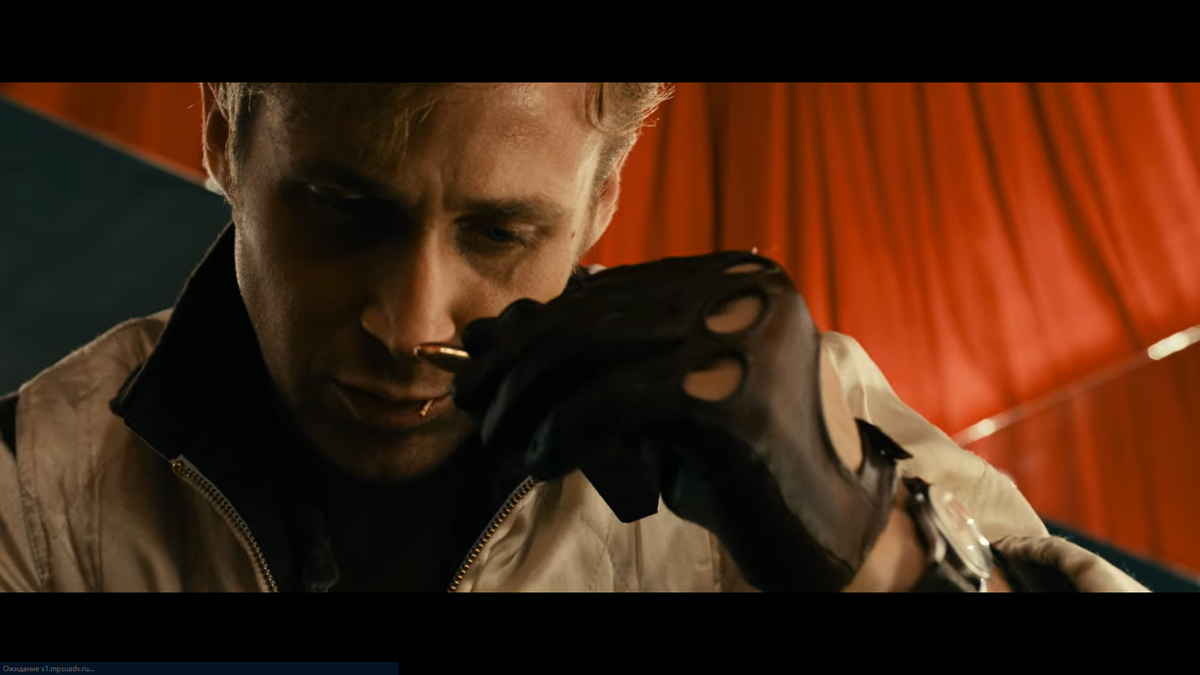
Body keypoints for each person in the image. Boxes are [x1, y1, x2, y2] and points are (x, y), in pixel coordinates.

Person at [0, 82, 1148, 592]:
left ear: (602, 201)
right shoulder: (32, 491)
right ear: (221, 134)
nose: (410, 325)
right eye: (343, 211)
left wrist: (875, 557)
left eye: (500, 233)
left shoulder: (827, 426)